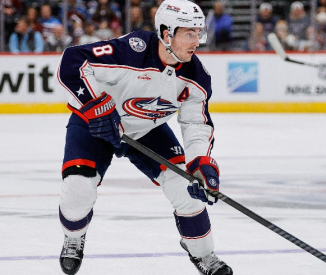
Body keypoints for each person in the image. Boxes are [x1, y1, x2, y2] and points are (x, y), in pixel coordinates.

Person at [56, 0, 233, 274]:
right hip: (95, 124)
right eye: (189, 33)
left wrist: (201, 163)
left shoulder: (197, 76)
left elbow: (197, 123)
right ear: (166, 33)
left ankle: (204, 255)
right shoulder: (131, 50)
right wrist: (95, 106)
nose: (197, 41)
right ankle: (74, 238)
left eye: (199, 33)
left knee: (185, 187)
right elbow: (73, 60)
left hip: (147, 129)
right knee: (77, 191)